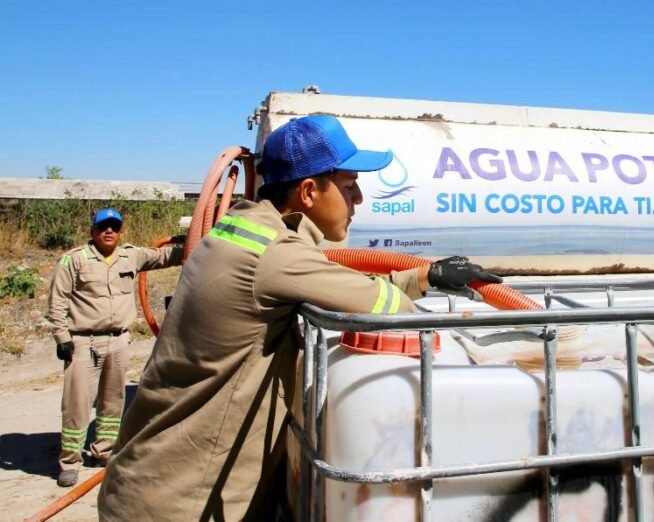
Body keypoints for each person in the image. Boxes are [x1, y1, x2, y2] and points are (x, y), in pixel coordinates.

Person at [98, 115, 501, 520]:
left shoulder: (241, 231)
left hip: (149, 483)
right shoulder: (275, 254)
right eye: (348, 186)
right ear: (309, 191)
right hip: (182, 503)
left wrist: (426, 274)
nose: (358, 199)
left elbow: (333, 282)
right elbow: (386, 306)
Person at [47, 208, 184, 488]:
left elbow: (165, 257)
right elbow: (57, 301)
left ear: (121, 232)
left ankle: (103, 452)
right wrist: (62, 338)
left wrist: (191, 241)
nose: (109, 232)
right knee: (77, 404)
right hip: (83, 341)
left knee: (113, 401)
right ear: (93, 231)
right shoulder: (74, 260)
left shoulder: (130, 255)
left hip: (118, 340)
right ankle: (69, 461)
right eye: (103, 227)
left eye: (114, 227)